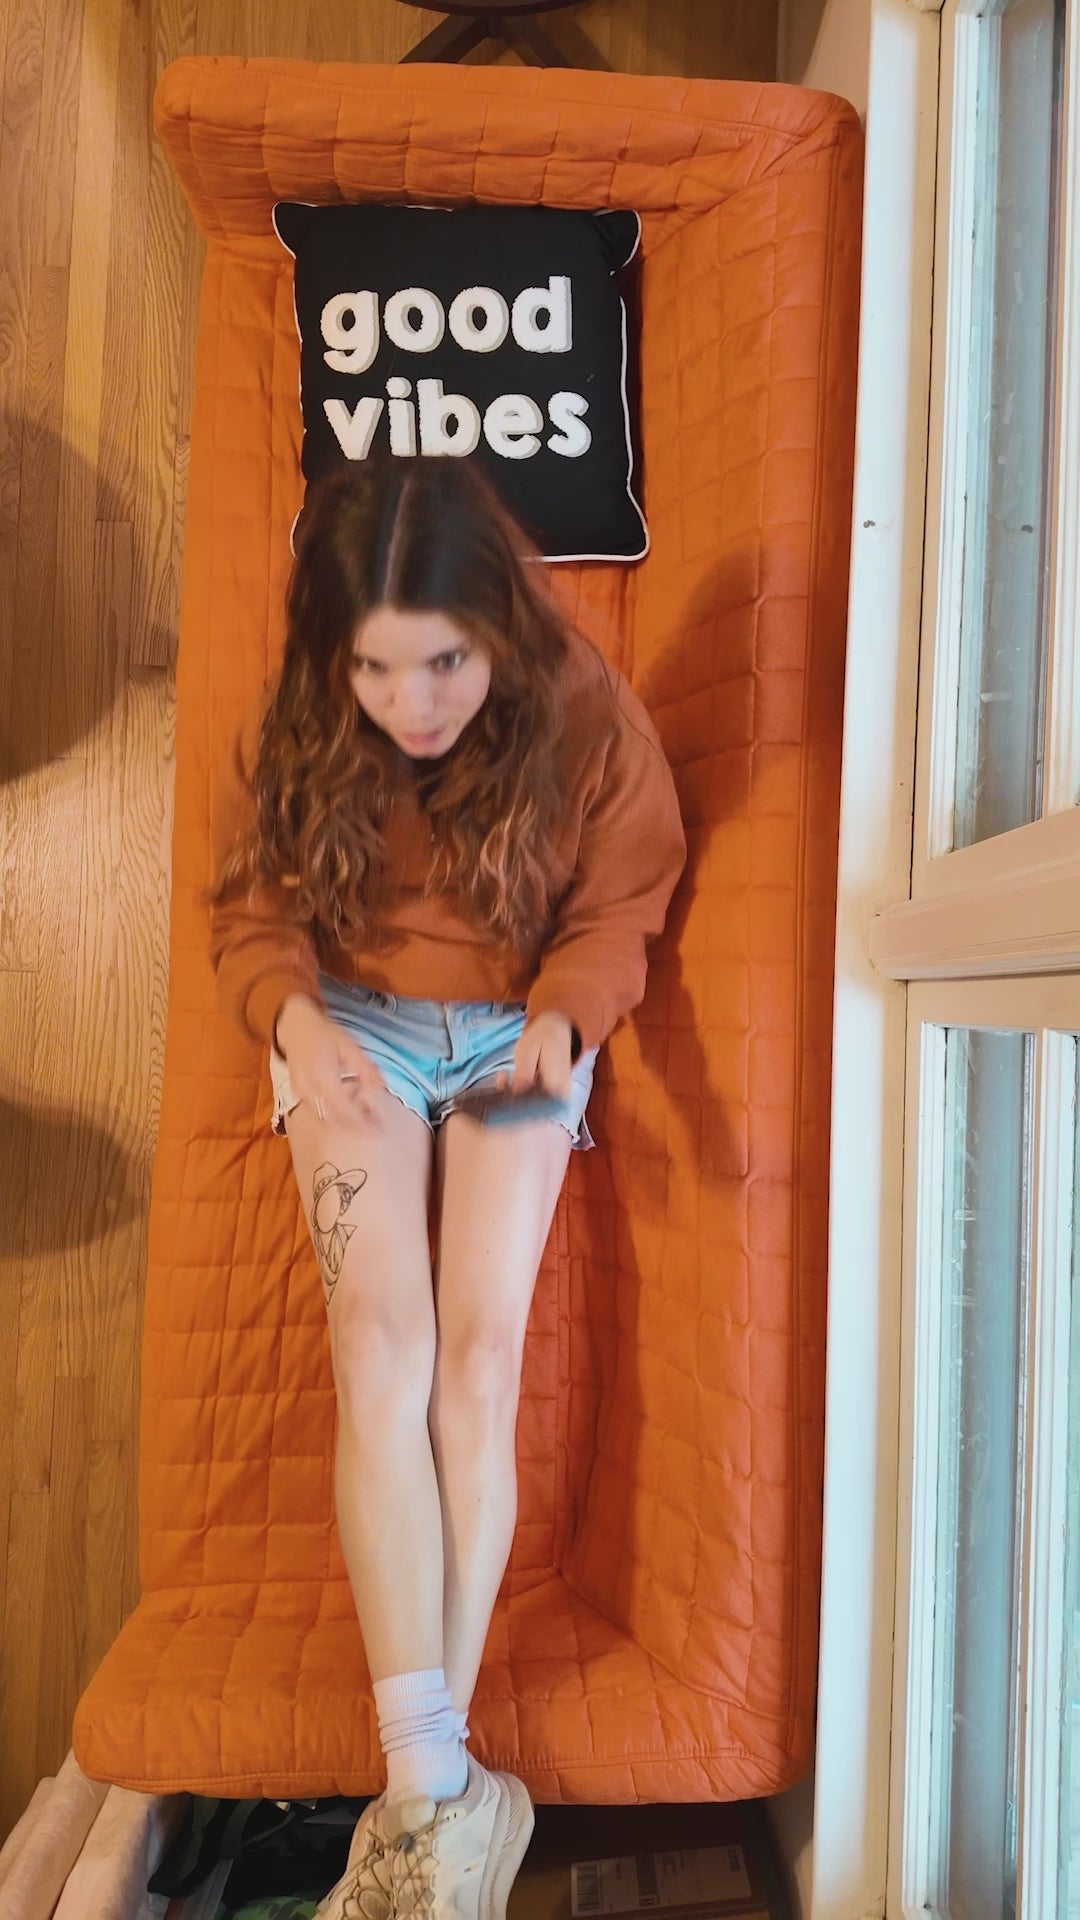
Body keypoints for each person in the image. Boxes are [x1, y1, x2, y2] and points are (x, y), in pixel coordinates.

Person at [207, 457, 686, 1920]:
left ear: (498, 631)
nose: (410, 705)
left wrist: (567, 1016)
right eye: (373, 668)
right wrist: (294, 1023)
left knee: (477, 1365)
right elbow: (251, 914)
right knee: (379, 1349)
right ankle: (436, 1796)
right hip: (349, 1018)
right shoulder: (294, 716)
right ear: (331, 652)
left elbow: (623, 900)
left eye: (445, 664)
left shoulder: (584, 709)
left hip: (509, 1032)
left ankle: (426, 1789)